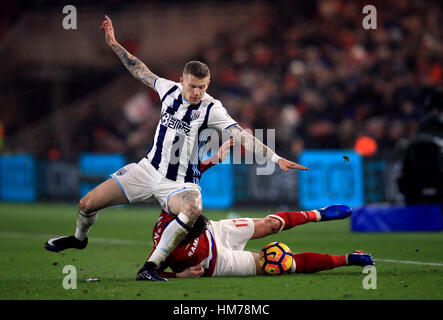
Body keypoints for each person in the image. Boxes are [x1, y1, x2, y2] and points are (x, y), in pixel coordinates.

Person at [44, 15, 308, 282]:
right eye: (193, 86)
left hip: (179, 184)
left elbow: (240, 135)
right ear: (182, 81)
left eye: (202, 87)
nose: (197, 92)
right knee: (87, 204)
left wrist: (275, 157)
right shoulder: (167, 90)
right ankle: (79, 239)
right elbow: (139, 69)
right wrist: (113, 43)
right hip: (147, 170)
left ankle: (150, 267)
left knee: (193, 209)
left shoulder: (211, 108)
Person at [137, 140, 373, 280]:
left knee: (270, 224)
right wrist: (179, 275)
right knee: (281, 265)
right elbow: (146, 273)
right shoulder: (165, 248)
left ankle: (318, 214)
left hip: (217, 231)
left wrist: (215, 159)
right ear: (183, 233)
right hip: (219, 263)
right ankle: (348, 259)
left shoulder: (175, 207)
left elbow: (190, 175)